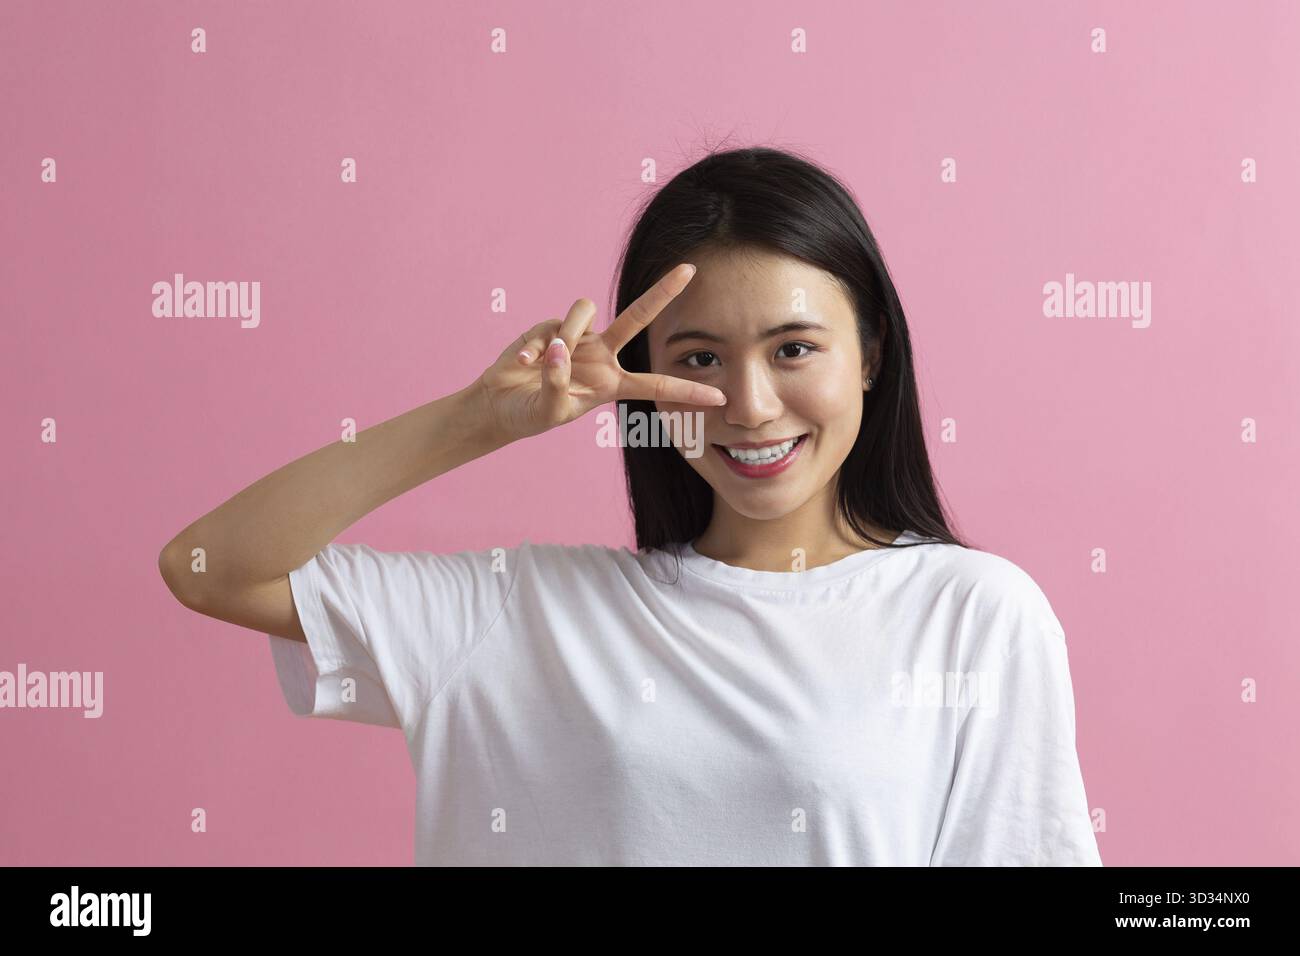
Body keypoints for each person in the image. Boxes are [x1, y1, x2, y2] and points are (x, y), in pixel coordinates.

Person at [159, 146, 1103, 867]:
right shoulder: (525, 615)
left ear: (872, 353)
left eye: (793, 349)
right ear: (641, 382)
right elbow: (209, 566)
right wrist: (480, 421)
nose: (749, 404)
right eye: (698, 359)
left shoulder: (975, 616)